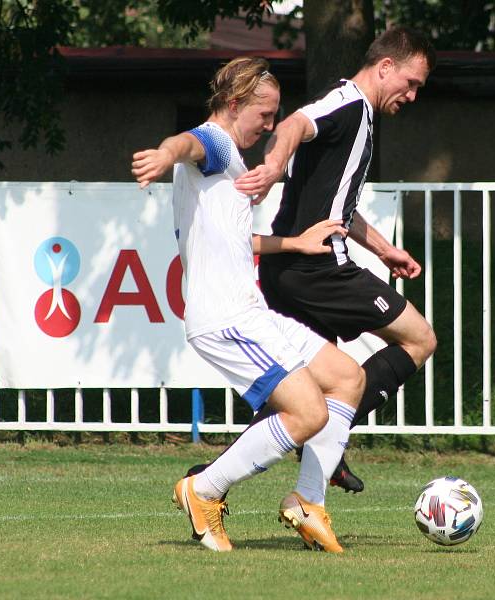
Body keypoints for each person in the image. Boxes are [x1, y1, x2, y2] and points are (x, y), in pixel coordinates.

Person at [131, 57, 365, 553]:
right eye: (265, 114)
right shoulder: (215, 142)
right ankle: (204, 489)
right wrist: (163, 153)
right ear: (234, 105)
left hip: (250, 312)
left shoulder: (233, 161)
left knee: (348, 376)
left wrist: (296, 244)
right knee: (307, 412)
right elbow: (188, 143)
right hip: (226, 319)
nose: (271, 125)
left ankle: (307, 500)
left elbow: (236, 240)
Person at [234, 27, 438, 493]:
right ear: (386, 67)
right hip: (316, 268)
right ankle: (330, 441)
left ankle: (210, 479)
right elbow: (292, 125)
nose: (412, 95)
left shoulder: (361, 114)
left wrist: (385, 249)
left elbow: (337, 205)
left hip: (294, 271)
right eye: (411, 83)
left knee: (305, 394)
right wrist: (272, 166)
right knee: (419, 339)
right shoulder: (347, 103)